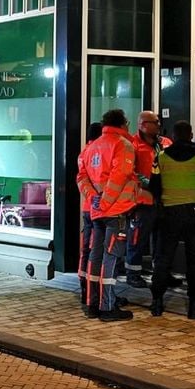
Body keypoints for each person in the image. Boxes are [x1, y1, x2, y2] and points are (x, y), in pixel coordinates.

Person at [149, 120, 195, 320]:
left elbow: (154, 186)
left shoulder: (160, 157)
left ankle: (157, 303)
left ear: (174, 135)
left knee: (163, 259)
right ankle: (194, 306)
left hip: (168, 214)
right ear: (190, 134)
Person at [82, 109, 141, 322]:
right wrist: (106, 203)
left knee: (95, 257)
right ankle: (107, 307)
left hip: (98, 212)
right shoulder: (123, 145)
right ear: (123, 124)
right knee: (111, 258)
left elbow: (81, 177)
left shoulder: (92, 147)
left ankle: (92, 304)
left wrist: (94, 199)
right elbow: (119, 176)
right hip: (116, 212)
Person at [125, 110, 170, 288]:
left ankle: (160, 272)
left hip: (163, 199)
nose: (159, 125)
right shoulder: (132, 144)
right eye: (155, 122)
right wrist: (147, 182)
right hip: (142, 200)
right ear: (143, 124)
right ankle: (132, 273)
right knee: (137, 238)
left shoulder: (164, 143)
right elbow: (130, 170)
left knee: (161, 239)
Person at [75, 122, 104, 311]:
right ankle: (93, 292)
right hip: (98, 208)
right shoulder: (98, 151)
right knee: (96, 250)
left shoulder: (83, 152)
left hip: (86, 207)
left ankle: (83, 286)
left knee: (85, 249)